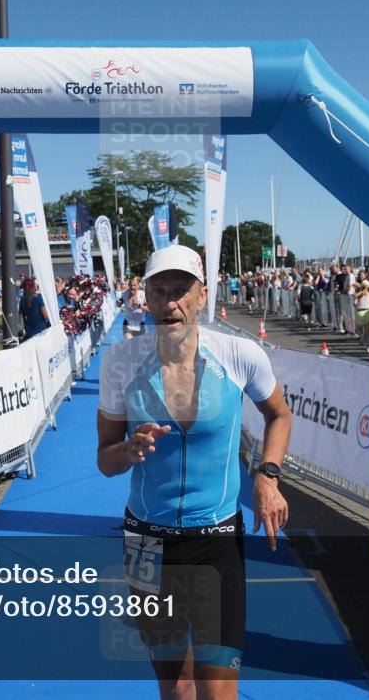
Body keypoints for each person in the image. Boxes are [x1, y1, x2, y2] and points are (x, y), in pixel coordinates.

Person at [97, 245, 291, 700]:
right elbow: (105, 461)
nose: (171, 302)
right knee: (176, 686)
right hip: (146, 542)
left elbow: (279, 415)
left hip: (216, 541)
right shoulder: (120, 364)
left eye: (182, 291)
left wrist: (268, 474)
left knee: (218, 690)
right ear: (145, 297)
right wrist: (128, 448)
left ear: (202, 296)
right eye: (159, 291)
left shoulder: (239, 354)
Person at [353, 280, 369, 353]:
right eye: (363, 286)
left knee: (368, 331)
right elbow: (355, 302)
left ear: (367, 287)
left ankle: (367, 346)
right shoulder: (359, 294)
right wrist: (360, 293)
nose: (364, 288)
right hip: (360, 312)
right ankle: (362, 337)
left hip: (368, 312)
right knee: (358, 330)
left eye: (365, 286)